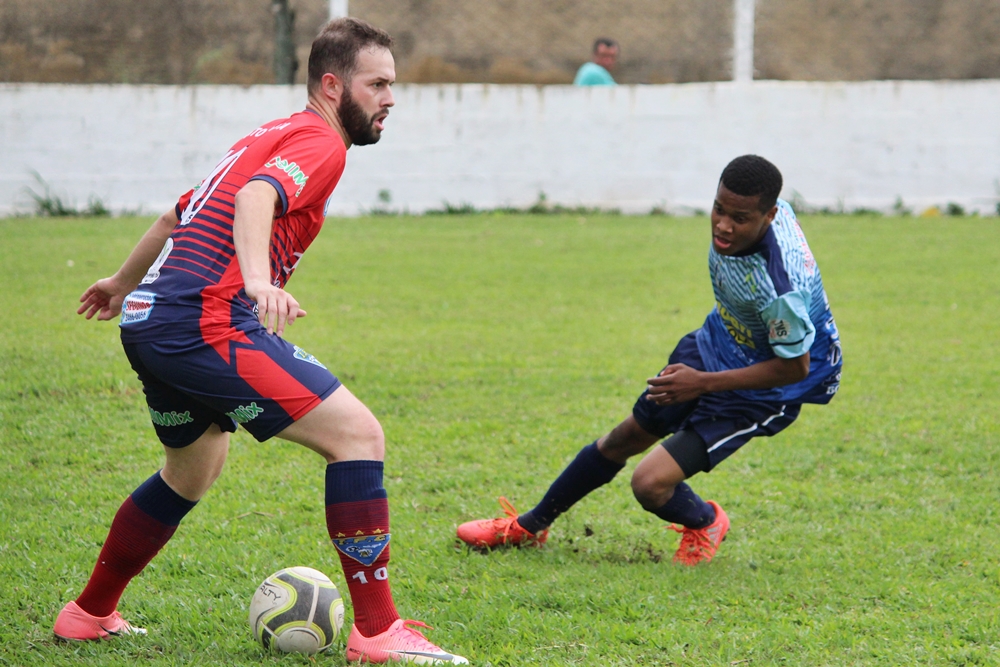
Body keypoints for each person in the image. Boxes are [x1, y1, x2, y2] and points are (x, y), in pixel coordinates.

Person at [56, 17, 467, 665]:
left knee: (192, 469)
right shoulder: (320, 142)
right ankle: (377, 631)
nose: (390, 98)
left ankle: (87, 613)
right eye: (377, 84)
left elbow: (175, 214)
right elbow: (255, 197)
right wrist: (255, 282)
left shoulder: (268, 133)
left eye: (392, 84)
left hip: (152, 320)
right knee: (358, 437)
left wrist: (119, 283)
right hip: (203, 320)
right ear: (333, 86)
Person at [457, 155, 842, 566]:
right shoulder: (764, 213)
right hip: (714, 345)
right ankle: (528, 527)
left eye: (740, 219)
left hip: (767, 389)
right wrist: (699, 374)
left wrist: (700, 383)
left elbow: (794, 367)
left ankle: (707, 522)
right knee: (624, 437)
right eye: (719, 209)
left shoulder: (781, 289)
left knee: (650, 484)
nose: (723, 226)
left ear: (769, 215)